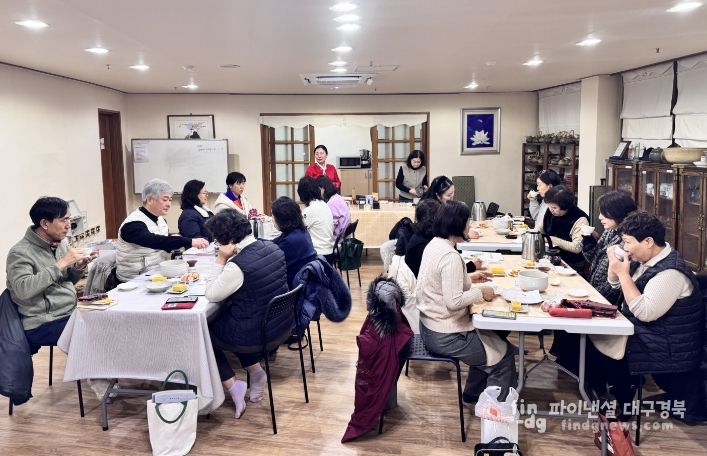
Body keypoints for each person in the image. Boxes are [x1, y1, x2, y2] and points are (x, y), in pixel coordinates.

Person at [599, 211, 705, 422]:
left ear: (648, 242)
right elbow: (618, 289)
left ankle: (620, 402)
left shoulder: (670, 273)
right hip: (652, 334)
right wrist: (614, 268)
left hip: (667, 346)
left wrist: (623, 273)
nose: (625, 247)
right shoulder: (646, 259)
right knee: (589, 334)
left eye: (628, 242)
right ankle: (601, 391)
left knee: (598, 340)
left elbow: (645, 313)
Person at [416, 201, 515, 402]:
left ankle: (473, 393)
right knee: (505, 357)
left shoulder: (434, 244)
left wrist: (469, 279)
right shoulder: (450, 256)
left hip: (429, 326)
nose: (469, 225)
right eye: (467, 221)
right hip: (445, 335)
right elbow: (453, 302)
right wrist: (481, 292)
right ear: (457, 224)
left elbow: (441, 284)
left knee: (494, 338)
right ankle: (496, 412)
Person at [204, 209, 289, 419]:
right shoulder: (272, 247)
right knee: (237, 317)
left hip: (256, 333)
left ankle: (233, 386)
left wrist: (220, 259)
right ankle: (256, 372)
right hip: (279, 325)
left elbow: (212, 294)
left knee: (203, 332)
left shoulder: (237, 266)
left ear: (228, 240)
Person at [6, 197, 97, 354]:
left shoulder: (60, 243)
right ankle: (91, 369)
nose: (69, 225)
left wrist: (78, 267)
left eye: (69, 219)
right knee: (94, 331)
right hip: (42, 323)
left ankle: (96, 367)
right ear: (45, 224)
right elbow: (23, 290)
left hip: (69, 312)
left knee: (108, 318)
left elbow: (66, 281)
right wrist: (60, 264)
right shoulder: (20, 253)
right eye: (64, 220)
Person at [115, 179, 208, 282]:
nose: (169, 204)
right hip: (132, 280)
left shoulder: (160, 220)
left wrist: (175, 240)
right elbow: (154, 241)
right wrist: (189, 241)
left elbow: (163, 242)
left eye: (170, 200)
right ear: (150, 200)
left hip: (155, 274)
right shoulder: (133, 223)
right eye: (165, 199)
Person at [582, 191, 636, 305]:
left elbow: (616, 282)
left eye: (604, 213)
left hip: (608, 300)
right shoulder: (610, 230)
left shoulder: (628, 240)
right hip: (596, 292)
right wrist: (588, 242)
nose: (599, 217)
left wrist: (594, 295)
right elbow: (593, 258)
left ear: (618, 213)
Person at [271, 196, 317, 288]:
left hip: (292, 287)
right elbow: (274, 242)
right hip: (303, 282)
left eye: (272, 215)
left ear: (282, 218)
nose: (272, 219)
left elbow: (272, 265)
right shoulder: (299, 231)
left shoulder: (290, 242)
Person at [541, 185, 589, 273]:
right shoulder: (550, 211)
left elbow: (576, 248)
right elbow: (541, 226)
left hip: (571, 263)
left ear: (565, 206)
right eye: (549, 206)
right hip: (552, 257)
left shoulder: (580, 219)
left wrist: (553, 240)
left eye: (554, 208)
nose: (551, 210)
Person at [297, 176, 335, 264]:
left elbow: (297, 228)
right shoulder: (324, 204)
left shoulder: (310, 210)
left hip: (318, 256)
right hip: (328, 252)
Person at [404, 198, 442, 277]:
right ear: (433, 219)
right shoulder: (423, 243)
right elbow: (434, 271)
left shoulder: (423, 234)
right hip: (421, 281)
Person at [316, 175, 350, 240]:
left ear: (323, 189)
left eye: (319, 189)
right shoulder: (337, 197)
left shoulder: (331, 203)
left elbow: (330, 228)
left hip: (337, 238)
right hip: (344, 235)